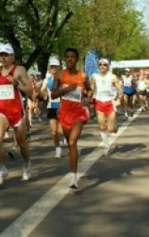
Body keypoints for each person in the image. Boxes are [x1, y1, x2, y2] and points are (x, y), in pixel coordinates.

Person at [0, 43, 33, 185]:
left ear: (12, 56)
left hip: (17, 111)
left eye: (6, 55)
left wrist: (16, 84)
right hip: (2, 110)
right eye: (1, 55)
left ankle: (27, 164)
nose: (3, 57)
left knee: (21, 142)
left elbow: (30, 91)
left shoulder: (19, 70)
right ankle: (2, 169)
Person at [51, 47, 92, 189]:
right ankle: (74, 152)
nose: (69, 59)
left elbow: (89, 89)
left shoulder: (83, 76)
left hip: (78, 113)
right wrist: (66, 90)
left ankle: (73, 178)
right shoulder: (59, 75)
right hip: (64, 113)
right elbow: (53, 95)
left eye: (72, 57)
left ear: (76, 59)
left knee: (72, 142)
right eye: (67, 56)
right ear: (64, 59)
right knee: (70, 144)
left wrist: (88, 96)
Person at [90, 58, 123, 156]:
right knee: (102, 127)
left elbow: (120, 90)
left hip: (110, 103)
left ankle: (114, 127)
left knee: (111, 129)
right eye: (100, 64)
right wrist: (88, 97)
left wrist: (119, 98)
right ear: (98, 66)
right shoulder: (94, 77)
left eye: (104, 65)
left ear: (108, 66)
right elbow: (91, 89)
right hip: (99, 102)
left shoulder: (112, 77)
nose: (102, 66)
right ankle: (106, 147)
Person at [40, 58, 64, 159]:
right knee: (53, 132)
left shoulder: (64, 79)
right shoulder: (47, 79)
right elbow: (42, 90)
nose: (53, 68)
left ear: (59, 68)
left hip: (62, 107)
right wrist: (41, 94)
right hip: (51, 107)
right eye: (52, 67)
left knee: (61, 131)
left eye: (55, 67)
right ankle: (58, 150)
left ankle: (69, 142)